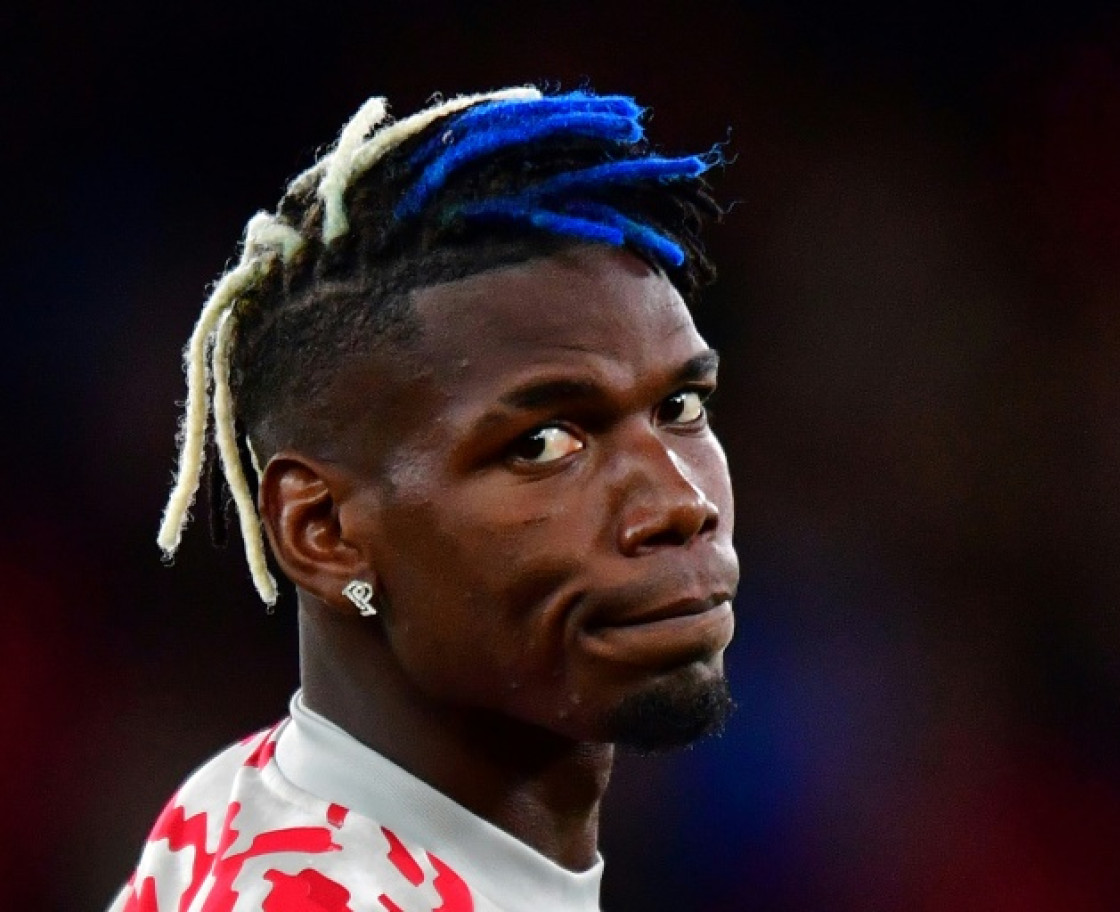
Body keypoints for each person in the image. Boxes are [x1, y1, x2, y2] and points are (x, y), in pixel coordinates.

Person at [111, 85, 737, 912]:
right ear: (323, 531)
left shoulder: (246, 798)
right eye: (544, 444)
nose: (678, 504)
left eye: (679, 409)